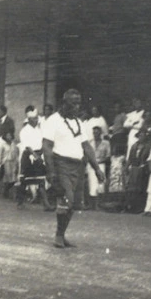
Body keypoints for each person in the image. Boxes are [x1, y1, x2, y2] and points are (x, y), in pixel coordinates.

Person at [43, 89, 105, 249]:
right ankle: (58, 236)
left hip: (78, 166)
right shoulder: (53, 120)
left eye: (79, 103)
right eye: (73, 103)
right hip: (61, 164)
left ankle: (62, 235)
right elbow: (47, 147)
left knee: (73, 203)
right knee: (66, 199)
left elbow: (86, 146)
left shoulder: (79, 122)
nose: (77, 107)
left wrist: (96, 168)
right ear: (64, 103)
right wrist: (50, 171)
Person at [17, 108, 51, 210]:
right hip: (28, 156)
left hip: (39, 154)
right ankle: (20, 202)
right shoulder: (24, 131)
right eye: (34, 119)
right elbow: (27, 146)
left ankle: (46, 204)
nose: (36, 120)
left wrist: (41, 155)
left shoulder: (39, 130)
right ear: (29, 119)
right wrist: (35, 156)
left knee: (41, 180)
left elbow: (42, 143)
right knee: (24, 181)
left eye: (37, 118)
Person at [124, 128, 151, 214]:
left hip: (142, 169)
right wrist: (127, 167)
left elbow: (149, 158)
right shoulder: (134, 146)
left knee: (141, 188)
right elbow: (130, 158)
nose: (141, 137)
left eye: (143, 136)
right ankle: (131, 207)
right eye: (139, 135)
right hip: (134, 168)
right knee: (131, 188)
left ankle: (139, 208)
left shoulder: (148, 146)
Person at [86, 126, 111, 210]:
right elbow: (86, 154)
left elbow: (108, 156)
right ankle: (92, 205)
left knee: (100, 184)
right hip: (91, 164)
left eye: (97, 132)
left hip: (101, 164)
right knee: (92, 184)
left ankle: (99, 205)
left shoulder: (106, 143)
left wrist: (100, 161)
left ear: (100, 133)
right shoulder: (90, 143)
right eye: (94, 133)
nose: (95, 134)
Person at [0, 131, 19, 198]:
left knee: (13, 178)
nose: (9, 137)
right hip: (6, 162)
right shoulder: (3, 145)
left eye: (10, 136)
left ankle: (6, 190)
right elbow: (0, 154)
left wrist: (17, 162)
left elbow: (16, 154)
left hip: (13, 162)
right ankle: (5, 192)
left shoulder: (14, 145)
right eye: (7, 136)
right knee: (7, 176)